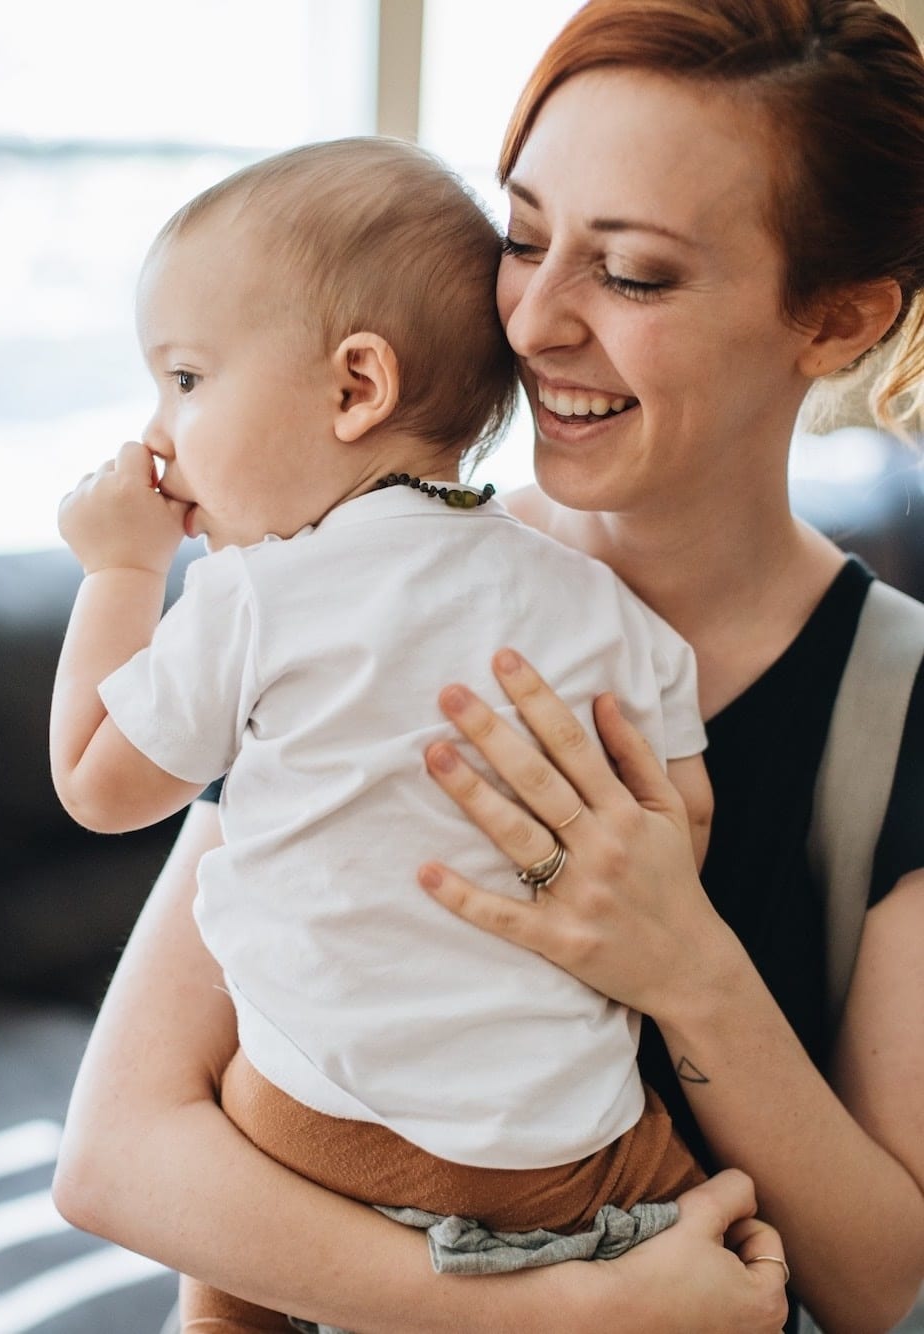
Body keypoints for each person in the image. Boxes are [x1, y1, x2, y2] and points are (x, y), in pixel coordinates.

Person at [51, 0, 924, 1330]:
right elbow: (116, 1154)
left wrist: (684, 964)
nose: (534, 321)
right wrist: (559, 1311)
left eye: (632, 272)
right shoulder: (354, 593)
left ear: (839, 318)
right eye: (520, 239)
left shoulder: (895, 705)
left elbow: (879, 1281)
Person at [50, 136, 713, 1334]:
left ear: (356, 386)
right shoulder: (599, 602)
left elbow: (98, 785)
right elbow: (682, 821)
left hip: (307, 1122)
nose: (159, 433)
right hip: (563, 1148)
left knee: (230, 1267)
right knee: (709, 1227)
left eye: (186, 380)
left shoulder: (255, 599)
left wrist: (120, 565)